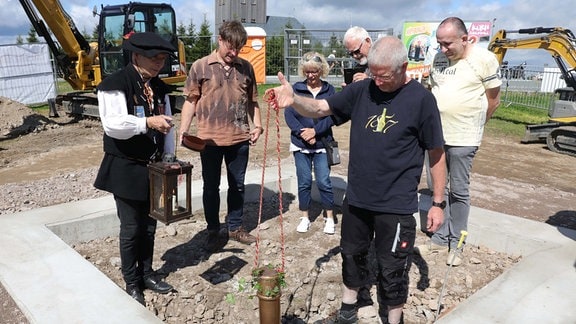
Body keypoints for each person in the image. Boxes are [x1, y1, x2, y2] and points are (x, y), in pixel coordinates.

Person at [267, 36, 446, 324]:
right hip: (358, 197)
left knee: (392, 267)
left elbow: (436, 153)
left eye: (384, 76)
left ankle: (393, 316)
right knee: (352, 253)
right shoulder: (363, 90)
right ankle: (349, 305)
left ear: (403, 67)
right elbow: (321, 109)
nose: (377, 81)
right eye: (373, 73)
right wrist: (295, 100)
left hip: (396, 204)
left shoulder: (422, 101)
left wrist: (437, 202)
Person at [94, 32, 176, 305]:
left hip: (152, 166)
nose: (159, 63)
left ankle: (147, 273)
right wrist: (147, 123)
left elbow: (168, 121)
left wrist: (168, 155)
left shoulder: (159, 86)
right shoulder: (115, 84)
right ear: (136, 56)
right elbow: (113, 125)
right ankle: (132, 282)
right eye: (154, 58)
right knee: (131, 228)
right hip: (125, 168)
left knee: (150, 225)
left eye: (162, 58)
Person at [416, 17, 502, 267]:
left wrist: (475, 126)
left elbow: (493, 100)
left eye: (448, 43)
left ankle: (458, 242)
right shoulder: (439, 59)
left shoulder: (484, 60)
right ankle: (441, 238)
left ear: (465, 39)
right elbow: (432, 90)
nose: (442, 49)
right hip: (436, 138)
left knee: (459, 192)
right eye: (439, 43)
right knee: (437, 188)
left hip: (464, 137)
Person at [179, 20, 263, 251]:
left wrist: (257, 126)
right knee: (211, 187)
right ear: (220, 40)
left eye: (239, 48)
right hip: (209, 140)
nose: (233, 53)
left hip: (239, 139)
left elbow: (253, 101)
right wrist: (183, 130)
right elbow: (190, 100)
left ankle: (235, 227)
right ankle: (214, 230)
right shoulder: (200, 66)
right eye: (230, 47)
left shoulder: (246, 68)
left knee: (237, 186)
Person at [284, 52, 337, 235]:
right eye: (307, 71)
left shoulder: (330, 90)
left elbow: (332, 115)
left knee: (324, 181)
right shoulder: (296, 88)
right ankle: (305, 217)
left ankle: (329, 217)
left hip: (322, 143)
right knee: (304, 181)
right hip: (300, 144)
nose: (310, 75)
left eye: (314, 71)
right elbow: (289, 114)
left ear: (321, 70)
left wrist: (316, 131)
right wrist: (303, 133)